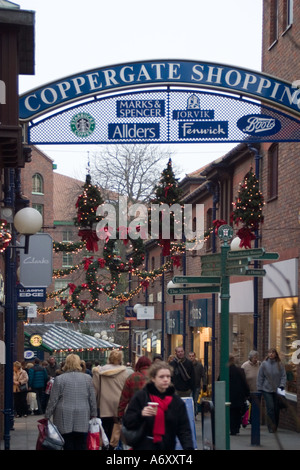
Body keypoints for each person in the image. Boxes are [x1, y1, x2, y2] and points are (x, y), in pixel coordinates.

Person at [123, 361, 194, 450]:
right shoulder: (142, 397)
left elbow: (184, 429)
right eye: (161, 377)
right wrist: (141, 414)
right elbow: (127, 421)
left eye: (168, 376)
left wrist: (188, 447)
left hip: (167, 447)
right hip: (143, 446)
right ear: (153, 378)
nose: (165, 379)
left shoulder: (176, 401)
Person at [45, 353, 97, 450]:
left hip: (64, 414)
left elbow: (53, 400)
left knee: (67, 442)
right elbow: (92, 399)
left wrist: (47, 416)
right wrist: (94, 413)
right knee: (81, 442)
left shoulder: (59, 379)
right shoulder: (87, 378)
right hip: (83, 413)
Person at [92, 349, 127, 442]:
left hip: (104, 406)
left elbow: (95, 390)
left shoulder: (99, 371)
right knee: (116, 432)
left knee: (104, 433)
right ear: (120, 359)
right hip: (118, 406)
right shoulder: (124, 372)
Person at [257, 348, 287, 433]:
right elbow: (260, 377)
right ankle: (271, 426)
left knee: (276, 409)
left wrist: (282, 385)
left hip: (278, 389)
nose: (271, 354)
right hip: (267, 389)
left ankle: (275, 425)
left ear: (275, 354)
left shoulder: (280, 364)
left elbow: (283, 376)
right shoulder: (264, 364)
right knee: (270, 408)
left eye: (273, 353)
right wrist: (259, 388)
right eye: (269, 353)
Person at [228, 354, 250, 435]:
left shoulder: (226, 371)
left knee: (231, 413)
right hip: (239, 396)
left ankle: (232, 428)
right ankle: (236, 428)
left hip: (229, 395)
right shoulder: (240, 370)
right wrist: (247, 393)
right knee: (237, 412)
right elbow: (244, 383)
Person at [188, 352, 206, 418]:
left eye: (192, 356)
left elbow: (203, 375)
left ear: (194, 356)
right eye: (190, 356)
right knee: (190, 400)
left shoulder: (199, 365)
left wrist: (204, 384)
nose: (191, 357)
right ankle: (191, 414)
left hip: (196, 385)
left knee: (195, 400)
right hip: (189, 386)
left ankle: (194, 414)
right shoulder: (187, 365)